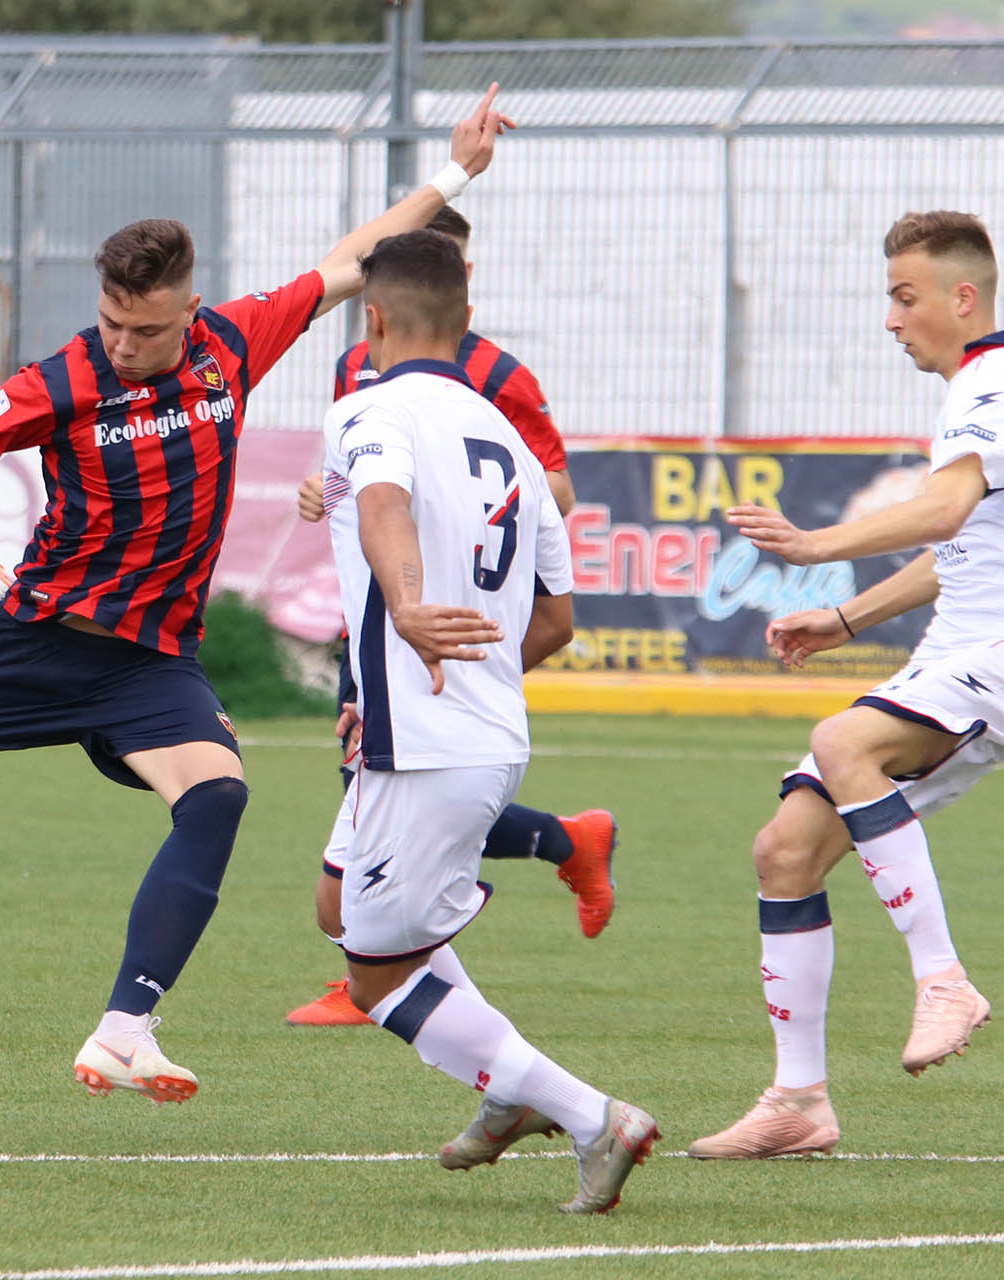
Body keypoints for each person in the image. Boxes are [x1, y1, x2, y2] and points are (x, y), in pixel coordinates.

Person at [0, 87, 515, 1103]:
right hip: (37, 637)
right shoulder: (62, 380)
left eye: (145, 327)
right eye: (113, 322)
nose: (124, 343)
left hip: (147, 659)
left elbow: (358, 258)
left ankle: (128, 1024)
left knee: (217, 796)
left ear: (188, 307)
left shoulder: (236, 344)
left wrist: (458, 172)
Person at [689, 211, 1004, 1159]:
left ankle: (944, 977)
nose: (892, 319)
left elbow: (944, 507)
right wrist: (843, 620)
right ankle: (799, 1104)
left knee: (843, 742)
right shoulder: (971, 397)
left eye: (904, 298)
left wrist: (816, 547)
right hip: (956, 652)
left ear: (963, 297)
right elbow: (960, 546)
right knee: (784, 850)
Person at [320, 228, 656, 1213]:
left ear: (372, 320)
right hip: (488, 735)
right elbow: (557, 617)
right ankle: (507, 1095)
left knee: (376, 976)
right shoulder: (507, 437)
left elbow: (382, 500)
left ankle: (593, 1116)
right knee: (359, 915)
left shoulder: (368, 408)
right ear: (466, 324)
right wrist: (461, 671)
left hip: (425, 747)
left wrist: (414, 612)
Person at [286, 206, 615, 1029]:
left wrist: (412, 608)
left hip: (428, 674)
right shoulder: (361, 381)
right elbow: (365, 491)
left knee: (376, 958)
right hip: (413, 677)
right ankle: (514, 1077)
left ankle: (572, 1109)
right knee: (342, 912)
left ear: (377, 311)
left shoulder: (497, 386)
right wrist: (330, 493)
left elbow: (402, 503)